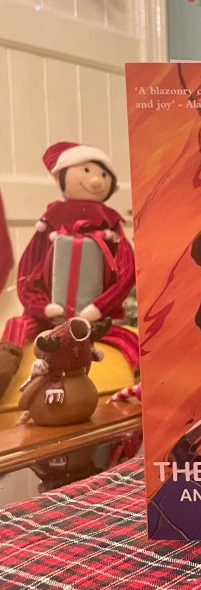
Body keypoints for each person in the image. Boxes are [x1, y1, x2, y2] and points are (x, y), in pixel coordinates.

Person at [0, 142, 138, 400]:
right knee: (16, 325)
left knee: (129, 339)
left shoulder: (111, 225)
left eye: (104, 174)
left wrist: (99, 307)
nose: (96, 180)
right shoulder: (50, 222)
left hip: (97, 320)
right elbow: (29, 270)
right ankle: (3, 369)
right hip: (47, 318)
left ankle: (143, 382)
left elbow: (126, 270)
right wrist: (42, 307)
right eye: (86, 170)